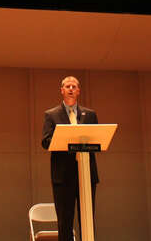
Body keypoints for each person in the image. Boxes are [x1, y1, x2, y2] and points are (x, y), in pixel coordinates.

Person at [41, 76, 99, 241]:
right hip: (63, 176)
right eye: (68, 86)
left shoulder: (90, 115)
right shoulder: (51, 115)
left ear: (79, 91)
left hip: (87, 174)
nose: (71, 89)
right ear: (62, 90)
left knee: (87, 220)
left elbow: (97, 139)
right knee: (65, 222)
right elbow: (45, 141)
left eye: (74, 86)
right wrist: (64, 139)